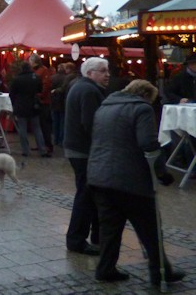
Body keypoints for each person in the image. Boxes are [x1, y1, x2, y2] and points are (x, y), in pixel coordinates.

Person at [87, 79, 185, 285]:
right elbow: (148, 144)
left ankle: (105, 268)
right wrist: (162, 173)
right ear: (146, 95)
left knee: (110, 228)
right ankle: (160, 271)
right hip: (130, 179)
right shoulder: (142, 109)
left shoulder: (103, 108)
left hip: (100, 175)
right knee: (150, 228)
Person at [64, 57, 109, 256]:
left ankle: (95, 236)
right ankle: (76, 239)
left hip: (78, 149)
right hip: (84, 151)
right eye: (102, 71)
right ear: (90, 73)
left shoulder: (81, 86)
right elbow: (91, 124)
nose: (107, 74)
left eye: (107, 70)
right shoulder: (89, 91)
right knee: (85, 195)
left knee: (90, 194)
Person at [9, 62, 49, 158]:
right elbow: (40, 90)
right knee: (37, 128)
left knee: (22, 129)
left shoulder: (17, 79)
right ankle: (42, 150)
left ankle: (25, 150)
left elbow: (12, 94)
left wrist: (14, 104)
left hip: (21, 106)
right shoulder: (36, 77)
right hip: (33, 106)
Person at [29, 53, 53, 154]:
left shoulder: (43, 70)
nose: (29, 63)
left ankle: (47, 145)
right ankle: (40, 144)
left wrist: (39, 95)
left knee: (44, 124)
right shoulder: (34, 71)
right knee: (37, 124)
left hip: (43, 102)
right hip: (37, 101)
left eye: (30, 61)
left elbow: (46, 86)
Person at [50, 63, 68, 147]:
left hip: (54, 102)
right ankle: (61, 140)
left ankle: (55, 139)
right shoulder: (66, 78)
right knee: (62, 122)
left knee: (55, 122)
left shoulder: (52, 78)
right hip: (62, 103)